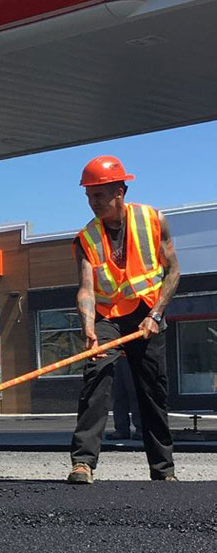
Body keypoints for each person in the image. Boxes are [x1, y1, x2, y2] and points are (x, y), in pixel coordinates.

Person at [66, 155, 180, 484]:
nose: (92, 202)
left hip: (147, 311)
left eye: (98, 194)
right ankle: (83, 463)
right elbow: (86, 289)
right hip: (107, 316)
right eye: (88, 195)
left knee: (152, 388)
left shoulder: (153, 220)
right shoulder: (86, 238)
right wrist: (88, 328)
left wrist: (156, 315)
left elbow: (173, 271)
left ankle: (163, 470)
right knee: (97, 374)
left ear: (119, 191)